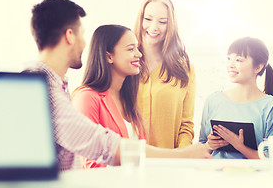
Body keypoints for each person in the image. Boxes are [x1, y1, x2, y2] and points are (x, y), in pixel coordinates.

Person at [25, 0, 210, 171]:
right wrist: (182, 155)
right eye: (82, 34)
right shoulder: (38, 90)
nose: (84, 43)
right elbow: (100, 145)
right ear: (70, 36)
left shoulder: (53, 86)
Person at [72, 24, 211, 168]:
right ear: (109, 56)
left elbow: (140, 162)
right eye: (131, 49)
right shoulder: (86, 98)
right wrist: (182, 155)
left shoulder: (128, 99)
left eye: (137, 48)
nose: (138, 54)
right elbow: (91, 163)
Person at [199, 37, 273, 159]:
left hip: (255, 176)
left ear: (258, 67)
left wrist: (239, 146)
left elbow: (271, 157)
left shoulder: (272, 106)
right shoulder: (213, 100)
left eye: (238, 60)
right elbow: (202, 145)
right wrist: (209, 146)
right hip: (216, 175)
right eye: (229, 58)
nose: (230, 65)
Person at [134, 0, 195, 148]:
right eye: (148, 19)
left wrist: (180, 156)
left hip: (169, 162)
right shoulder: (124, 61)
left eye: (162, 22)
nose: (154, 27)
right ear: (140, 19)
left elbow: (186, 126)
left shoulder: (185, 68)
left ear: (171, 25)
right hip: (129, 161)